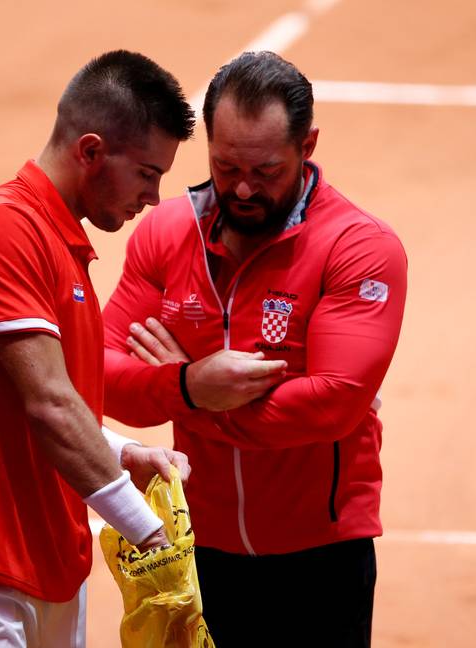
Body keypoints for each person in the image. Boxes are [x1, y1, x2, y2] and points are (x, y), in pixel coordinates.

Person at [0, 50, 196, 648]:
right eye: (147, 174)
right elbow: (49, 405)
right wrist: (145, 529)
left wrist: (122, 451)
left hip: (49, 565)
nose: (154, 198)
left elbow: (35, 407)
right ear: (90, 151)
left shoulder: (60, 244)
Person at [102, 51, 407, 647]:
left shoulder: (359, 248)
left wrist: (187, 395)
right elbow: (99, 373)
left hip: (322, 557)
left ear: (307, 144)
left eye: (265, 170)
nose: (242, 188)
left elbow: (334, 404)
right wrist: (190, 385)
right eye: (225, 166)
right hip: (201, 548)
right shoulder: (168, 231)